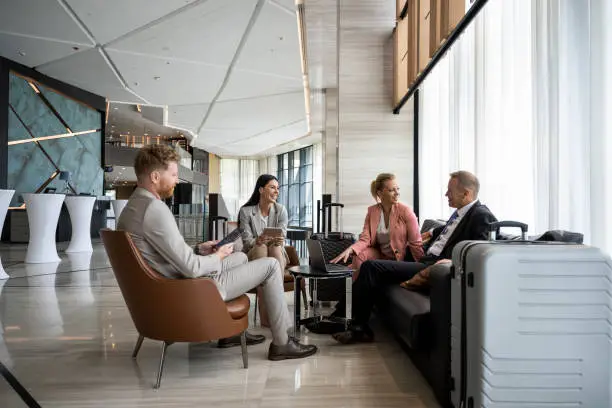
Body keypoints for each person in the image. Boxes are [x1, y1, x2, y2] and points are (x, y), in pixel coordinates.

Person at [117, 145, 317, 361]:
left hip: (175, 284)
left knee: (240, 256)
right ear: (155, 176)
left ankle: (229, 332)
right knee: (269, 266)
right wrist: (218, 256)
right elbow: (192, 268)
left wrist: (199, 249)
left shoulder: (133, 207)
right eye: (174, 175)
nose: (177, 181)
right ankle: (282, 343)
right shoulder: (155, 209)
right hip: (191, 290)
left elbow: (162, 254)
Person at [331, 170, 497, 344]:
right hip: (427, 261)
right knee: (364, 263)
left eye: (450, 190)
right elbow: (450, 230)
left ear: (466, 193)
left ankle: (356, 326)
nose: (446, 194)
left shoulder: (482, 216)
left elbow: (480, 252)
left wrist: (452, 261)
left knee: (371, 267)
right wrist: (432, 232)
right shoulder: (461, 212)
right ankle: (345, 317)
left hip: (435, 266)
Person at [330, 173, 423, 276]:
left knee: (356, 268)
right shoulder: (372, 211)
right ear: (380, 193)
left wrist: (422, 269)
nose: (397, 193)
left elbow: (416, 243)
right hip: (380, 255)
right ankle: (354, 290)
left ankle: (354, 286)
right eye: (392, 190)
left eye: (398, 189)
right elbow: (365, 239)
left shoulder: (406, 211)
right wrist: (351, 249)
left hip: (397, 259)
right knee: (359, 256)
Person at [238, 174, 289, 327]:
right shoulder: (246, 212)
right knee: (260, 248)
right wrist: (258, 240)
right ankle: (273, 319)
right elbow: (247, 242)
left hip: (276, 251)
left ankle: (270, 317)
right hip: (254, 252)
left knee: (274, 247)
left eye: (278, 188)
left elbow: (282, 235)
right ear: (261, 190)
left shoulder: (281, 210)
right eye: (272, 187)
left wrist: (279, 240)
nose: (276, 191)